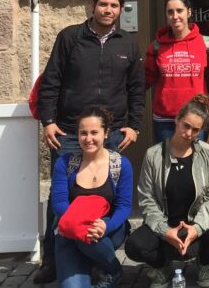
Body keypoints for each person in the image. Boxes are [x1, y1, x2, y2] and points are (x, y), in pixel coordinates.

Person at [35, 0, 143, 284]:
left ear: (120, 11)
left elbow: (136, 89)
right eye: (103, 4)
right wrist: (48, 120)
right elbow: (51, 81)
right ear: (93, 6)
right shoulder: (70, 37)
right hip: (70, 131)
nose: (108, 10)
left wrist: (135, 126)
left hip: (112, 133)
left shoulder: (128, 44)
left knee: (104, 196)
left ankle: (97, 256)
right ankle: (53, 260)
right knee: (63, 198)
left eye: (114, 6)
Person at [125, 95, 209, 288]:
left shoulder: (207, 153)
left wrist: (196, 229)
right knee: (134, 246)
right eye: (185, 125)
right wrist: (165, 231)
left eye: (196, 130)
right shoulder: (154, 154)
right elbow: (146, 199)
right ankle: (162, 267)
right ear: (177, 120)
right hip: (165, 226)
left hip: (196, 226)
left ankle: (203, 262)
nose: (189, 133)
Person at [50, 106, 132, 288]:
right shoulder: (65, 163)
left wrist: (105, 225)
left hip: (106, 230)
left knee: (90, 235)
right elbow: (58, 204)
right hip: (70, 232)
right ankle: (91, 264)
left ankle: (112, 269)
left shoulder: (120, 164)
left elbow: (124, 206)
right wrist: (81, 221)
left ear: (106, 133)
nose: (88, 139)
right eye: (83, 133)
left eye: (94, 132)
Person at [145, 0, 209, 144]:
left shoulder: (206, 44)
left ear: (189, 12)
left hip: (196, 117)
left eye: (179, 10)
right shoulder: (157, 46)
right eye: (170, 12)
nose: (175, 16)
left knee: (196, 165)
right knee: (166, 165)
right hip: (165, 119)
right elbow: (144, 80)